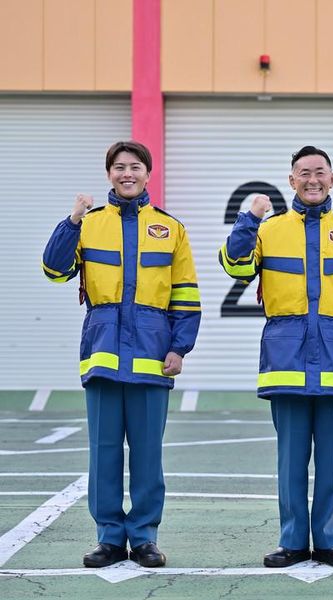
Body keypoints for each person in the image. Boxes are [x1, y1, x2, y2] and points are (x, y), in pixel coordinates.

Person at [219, 146, 333, 568]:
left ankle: (330, 541)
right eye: (304, 173)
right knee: (290, 460)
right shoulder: (268, 230)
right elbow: (236, 266)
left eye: (320, 172)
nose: (313, 180)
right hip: (286, 358)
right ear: (291, 181)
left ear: (332, 179)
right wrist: (249, 219)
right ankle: (291, 541)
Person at [42, 141, 201, 568]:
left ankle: (144, 537)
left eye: (134, 167)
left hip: (152, 356)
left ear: (148, 174)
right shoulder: (88, 224)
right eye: (118, 167)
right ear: (108, 174)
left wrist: (179, 347)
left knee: (148, 455)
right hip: (103, 355)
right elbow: (55, 270)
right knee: (105, 452)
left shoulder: (170, 228)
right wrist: (72, 221)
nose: (126, 173)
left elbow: (186, 294)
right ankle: (110, 538)